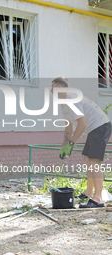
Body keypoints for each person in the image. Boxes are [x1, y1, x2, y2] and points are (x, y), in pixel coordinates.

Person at [51, 77, 112, 208]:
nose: (51, 91)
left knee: (94, 161)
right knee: (87, 158)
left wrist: (72, 143)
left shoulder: (73, 100)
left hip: (101, 125)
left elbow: (82, 124)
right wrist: (65, 144)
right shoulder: (64, 103)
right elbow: (68, 125)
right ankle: (89, 192)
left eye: (53, 87)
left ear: (59, 88)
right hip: (94, 128)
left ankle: (98, 199)